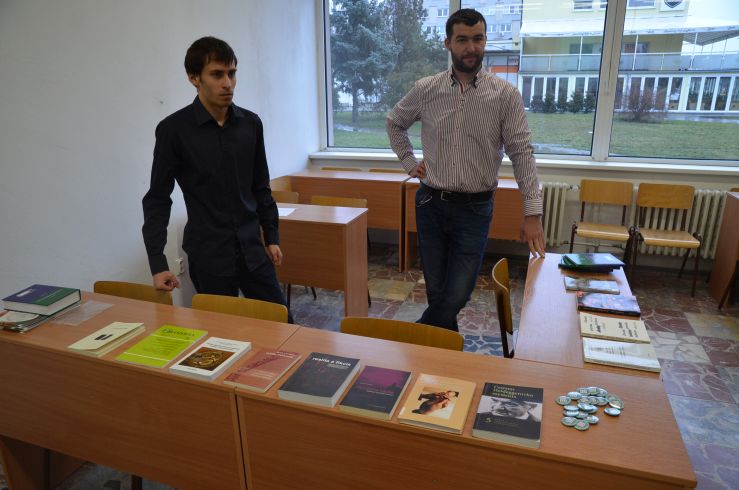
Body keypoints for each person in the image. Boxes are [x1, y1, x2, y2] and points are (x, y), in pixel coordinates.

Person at [386, 8, 545, 332]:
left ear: (485, 41)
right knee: (437, 292)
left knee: (458, 291)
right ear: (448, 43)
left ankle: (415, 335)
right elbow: (394, 123)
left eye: (478, 39)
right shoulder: (426, 89)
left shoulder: (505, 96)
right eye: (462, 40)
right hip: (430, 203)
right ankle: (443, 350)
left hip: (474, 208)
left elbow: (522, 153)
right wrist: (409, 163)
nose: (471, 47)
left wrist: (532, 213)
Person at [142, 36, 292, 322]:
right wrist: (157, 263)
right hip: (209, 255)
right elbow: (158, 199)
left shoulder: (251, 124)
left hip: (252, 250)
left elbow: (261, 187)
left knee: (281, 324)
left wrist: (272, 236)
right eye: (217, 74)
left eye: (232, 73)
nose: (228, 83)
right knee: (222, 335)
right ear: (193, 78)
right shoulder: (174, 130)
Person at [477, 395, 542, 439]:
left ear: (531, 407)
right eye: (494, 400)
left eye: (510, 403)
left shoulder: (536, 426)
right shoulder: (482, 417)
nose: (496, 407)